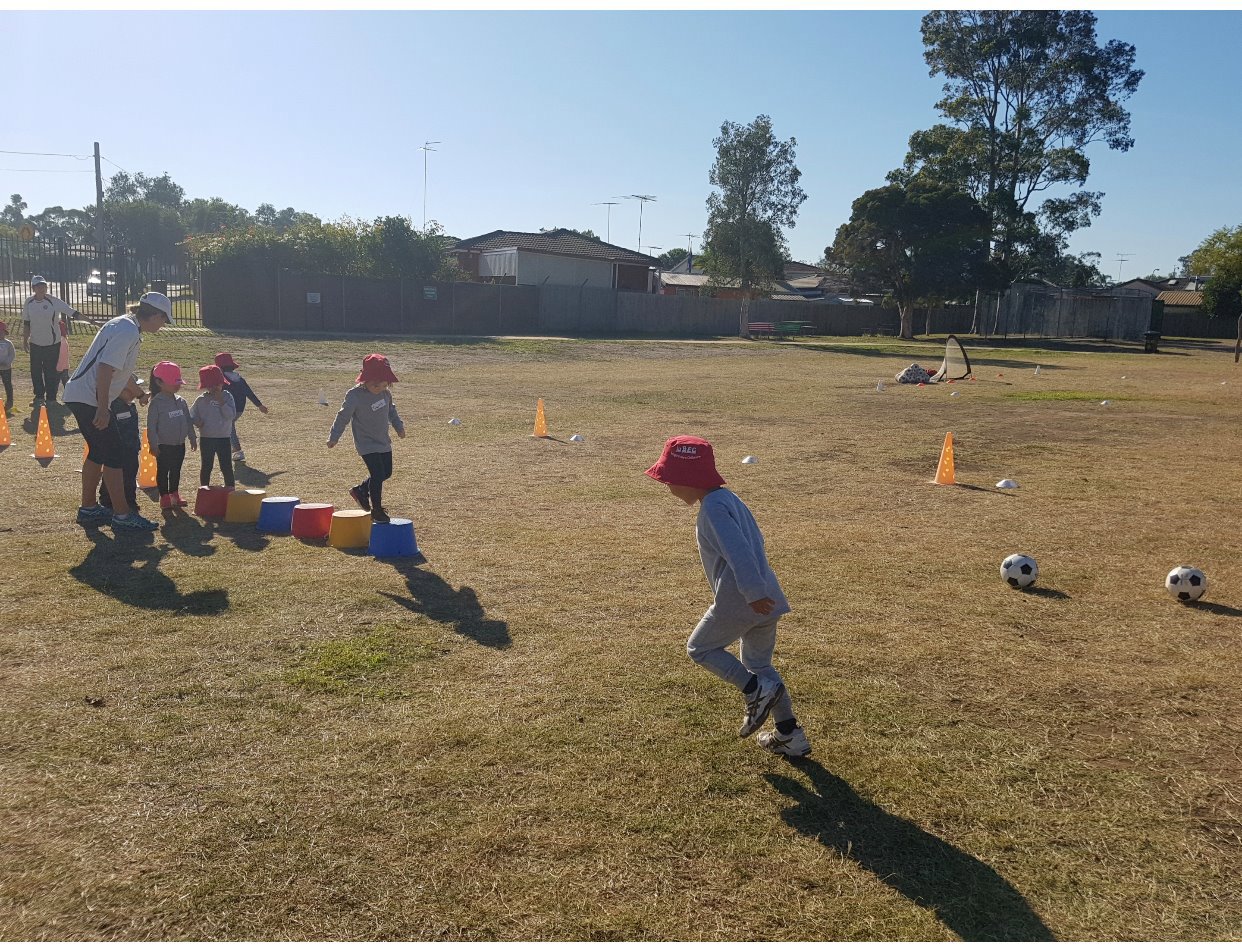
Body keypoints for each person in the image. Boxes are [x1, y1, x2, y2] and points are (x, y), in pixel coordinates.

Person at [644, 435, 810, 758]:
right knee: (759, 665)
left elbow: (740, 551)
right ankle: (789, 734)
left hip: (744, 599)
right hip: (766, 597)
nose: (667, 486)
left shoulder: (713, 509)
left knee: (700, 648)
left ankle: (753, 690)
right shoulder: (728, 499)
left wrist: (752, 592)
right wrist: (760, 591)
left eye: (669, 479)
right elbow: (756, 542)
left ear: (689, 478)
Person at [63, 291, 171, 531]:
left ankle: (89, 509)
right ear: (155, 315)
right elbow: (105, 369)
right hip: (89, 399)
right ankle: (122, 515)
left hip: (82, 396)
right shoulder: (128, 331)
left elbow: (119, 372)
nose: (163, 324)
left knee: (98, 453)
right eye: (164, 319)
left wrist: (140, 394)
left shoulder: (125, 325)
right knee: (114, 455)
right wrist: (103, 408)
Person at [327, 353, 405, 524]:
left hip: (383, 441)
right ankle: (377, 510)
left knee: (386, 473)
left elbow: (392, 411)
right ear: (365, 380)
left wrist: (399, 426)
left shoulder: (385, 394)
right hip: (366, 443)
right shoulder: (355, 396)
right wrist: (334, 436)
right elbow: (343, 416)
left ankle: (361, 490)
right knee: (377, 474)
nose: (380, 388)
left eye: (384, 385)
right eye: (375, 385)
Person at [21, 275, 80, 406]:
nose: (41, 288)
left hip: (52, 343)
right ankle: (39, 397)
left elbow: (72, 312)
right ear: (33, 288)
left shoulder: (53, 301)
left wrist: (92, 321)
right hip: (35, 343)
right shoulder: (29, 302)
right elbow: (26, 323)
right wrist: (25, 340)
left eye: (43, 286)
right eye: (38, 286)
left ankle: (51, 398)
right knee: (35, 371)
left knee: (50, 371)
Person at [147, 361, 197, 510]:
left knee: (176, 470)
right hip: (163, 446)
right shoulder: (156, 403)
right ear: (159, 383)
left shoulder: (181, 401)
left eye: (178, 382)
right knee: (163, 471)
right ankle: (164, 497)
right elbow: (151, 427)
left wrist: (192, 437)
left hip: (179, 445)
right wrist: (153, 445)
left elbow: (188, 421)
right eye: (173, 382)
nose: (177, 385)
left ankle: (175, 494)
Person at [98, 375, 147, 516]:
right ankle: (106, 500)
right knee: (113, 474)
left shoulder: (131, 406)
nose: (135, 392)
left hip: (132, 449)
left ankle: (130, 501)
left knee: (130, 475)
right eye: (132, 388)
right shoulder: (113, 406)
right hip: (116, 450)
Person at [214, 351, 269, 461]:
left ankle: (237, 450)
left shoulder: (222, 379)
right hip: (239, 409)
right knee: (227, 425)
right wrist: (259, 405)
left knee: (228, 426)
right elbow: (249, 393)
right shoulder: (239, 379)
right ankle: (230, 447)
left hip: (228, 408)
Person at [190, 364, 237, 490]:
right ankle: (204, 490)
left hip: (223, 438)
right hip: (206, 438)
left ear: (222, 383)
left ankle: (230, 491)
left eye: (218, 385)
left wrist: (221, 401)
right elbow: (191, 415)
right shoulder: (201, 400)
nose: (215, 389)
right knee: (206, 466)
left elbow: (230, 416)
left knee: (226, 466)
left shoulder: (227, 396)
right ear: (205, 386)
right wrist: (196, 421)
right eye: (211, 386)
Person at [0, 320, 14, 414]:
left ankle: (9, 402)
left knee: (8, 384)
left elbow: (12, 355)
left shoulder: (8, 343)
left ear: (5, 333)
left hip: (6, 368)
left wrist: (7, 362)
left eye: (1, 332)